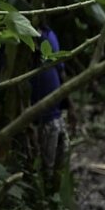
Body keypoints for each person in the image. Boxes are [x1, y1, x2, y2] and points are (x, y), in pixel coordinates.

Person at [30, 22, 75, 194]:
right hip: (39, 119)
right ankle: (45, 200)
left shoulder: (49, 33)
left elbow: (60, 72)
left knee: (61, 160)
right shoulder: (19, 39)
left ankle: (55, 198)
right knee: (44, 168)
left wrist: (70, 106)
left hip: (56, 115)